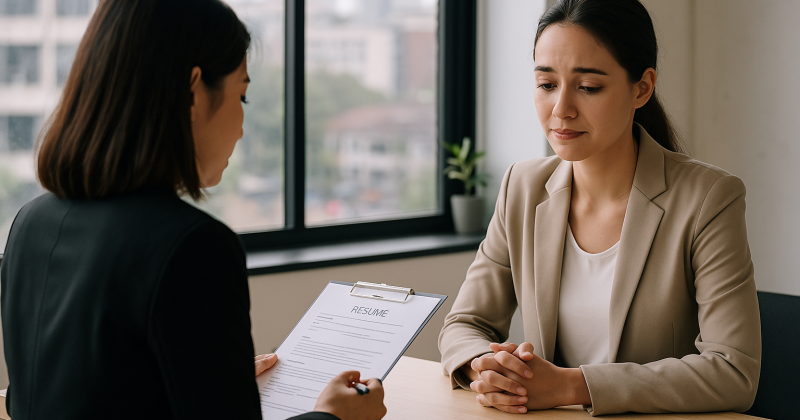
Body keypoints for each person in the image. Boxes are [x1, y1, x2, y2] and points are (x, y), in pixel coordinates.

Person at [0, 1, 386, 419]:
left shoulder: (30, 224)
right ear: (193, 92)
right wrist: (332, 416)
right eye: (241, 95)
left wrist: (212, 381)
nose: (241, 127)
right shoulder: (191, 247)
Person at [438, 0, 760, 416]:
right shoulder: (523, 186)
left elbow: (733, 371)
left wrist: (570, 386)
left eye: (588, 87)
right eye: (546, 84)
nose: (561, 109)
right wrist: (486, 367)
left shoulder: (708, 198)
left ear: (642, 88)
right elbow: (466, 323)